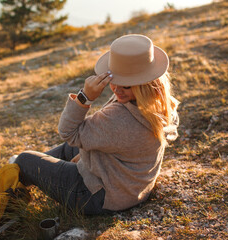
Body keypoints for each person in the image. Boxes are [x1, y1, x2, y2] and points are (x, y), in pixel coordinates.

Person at [13, 34, 179, 215]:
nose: (116, 89)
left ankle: (6, 192)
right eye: (114, 80)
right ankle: (16, 182)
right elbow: (82, 137)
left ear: (145, 84)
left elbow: (68, 132)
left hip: (98, 196)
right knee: (68, 149)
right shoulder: (160, 102)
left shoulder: (119, 117)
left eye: (126, 85)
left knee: (24, 160)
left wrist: (85, 97)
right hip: (130, 186)